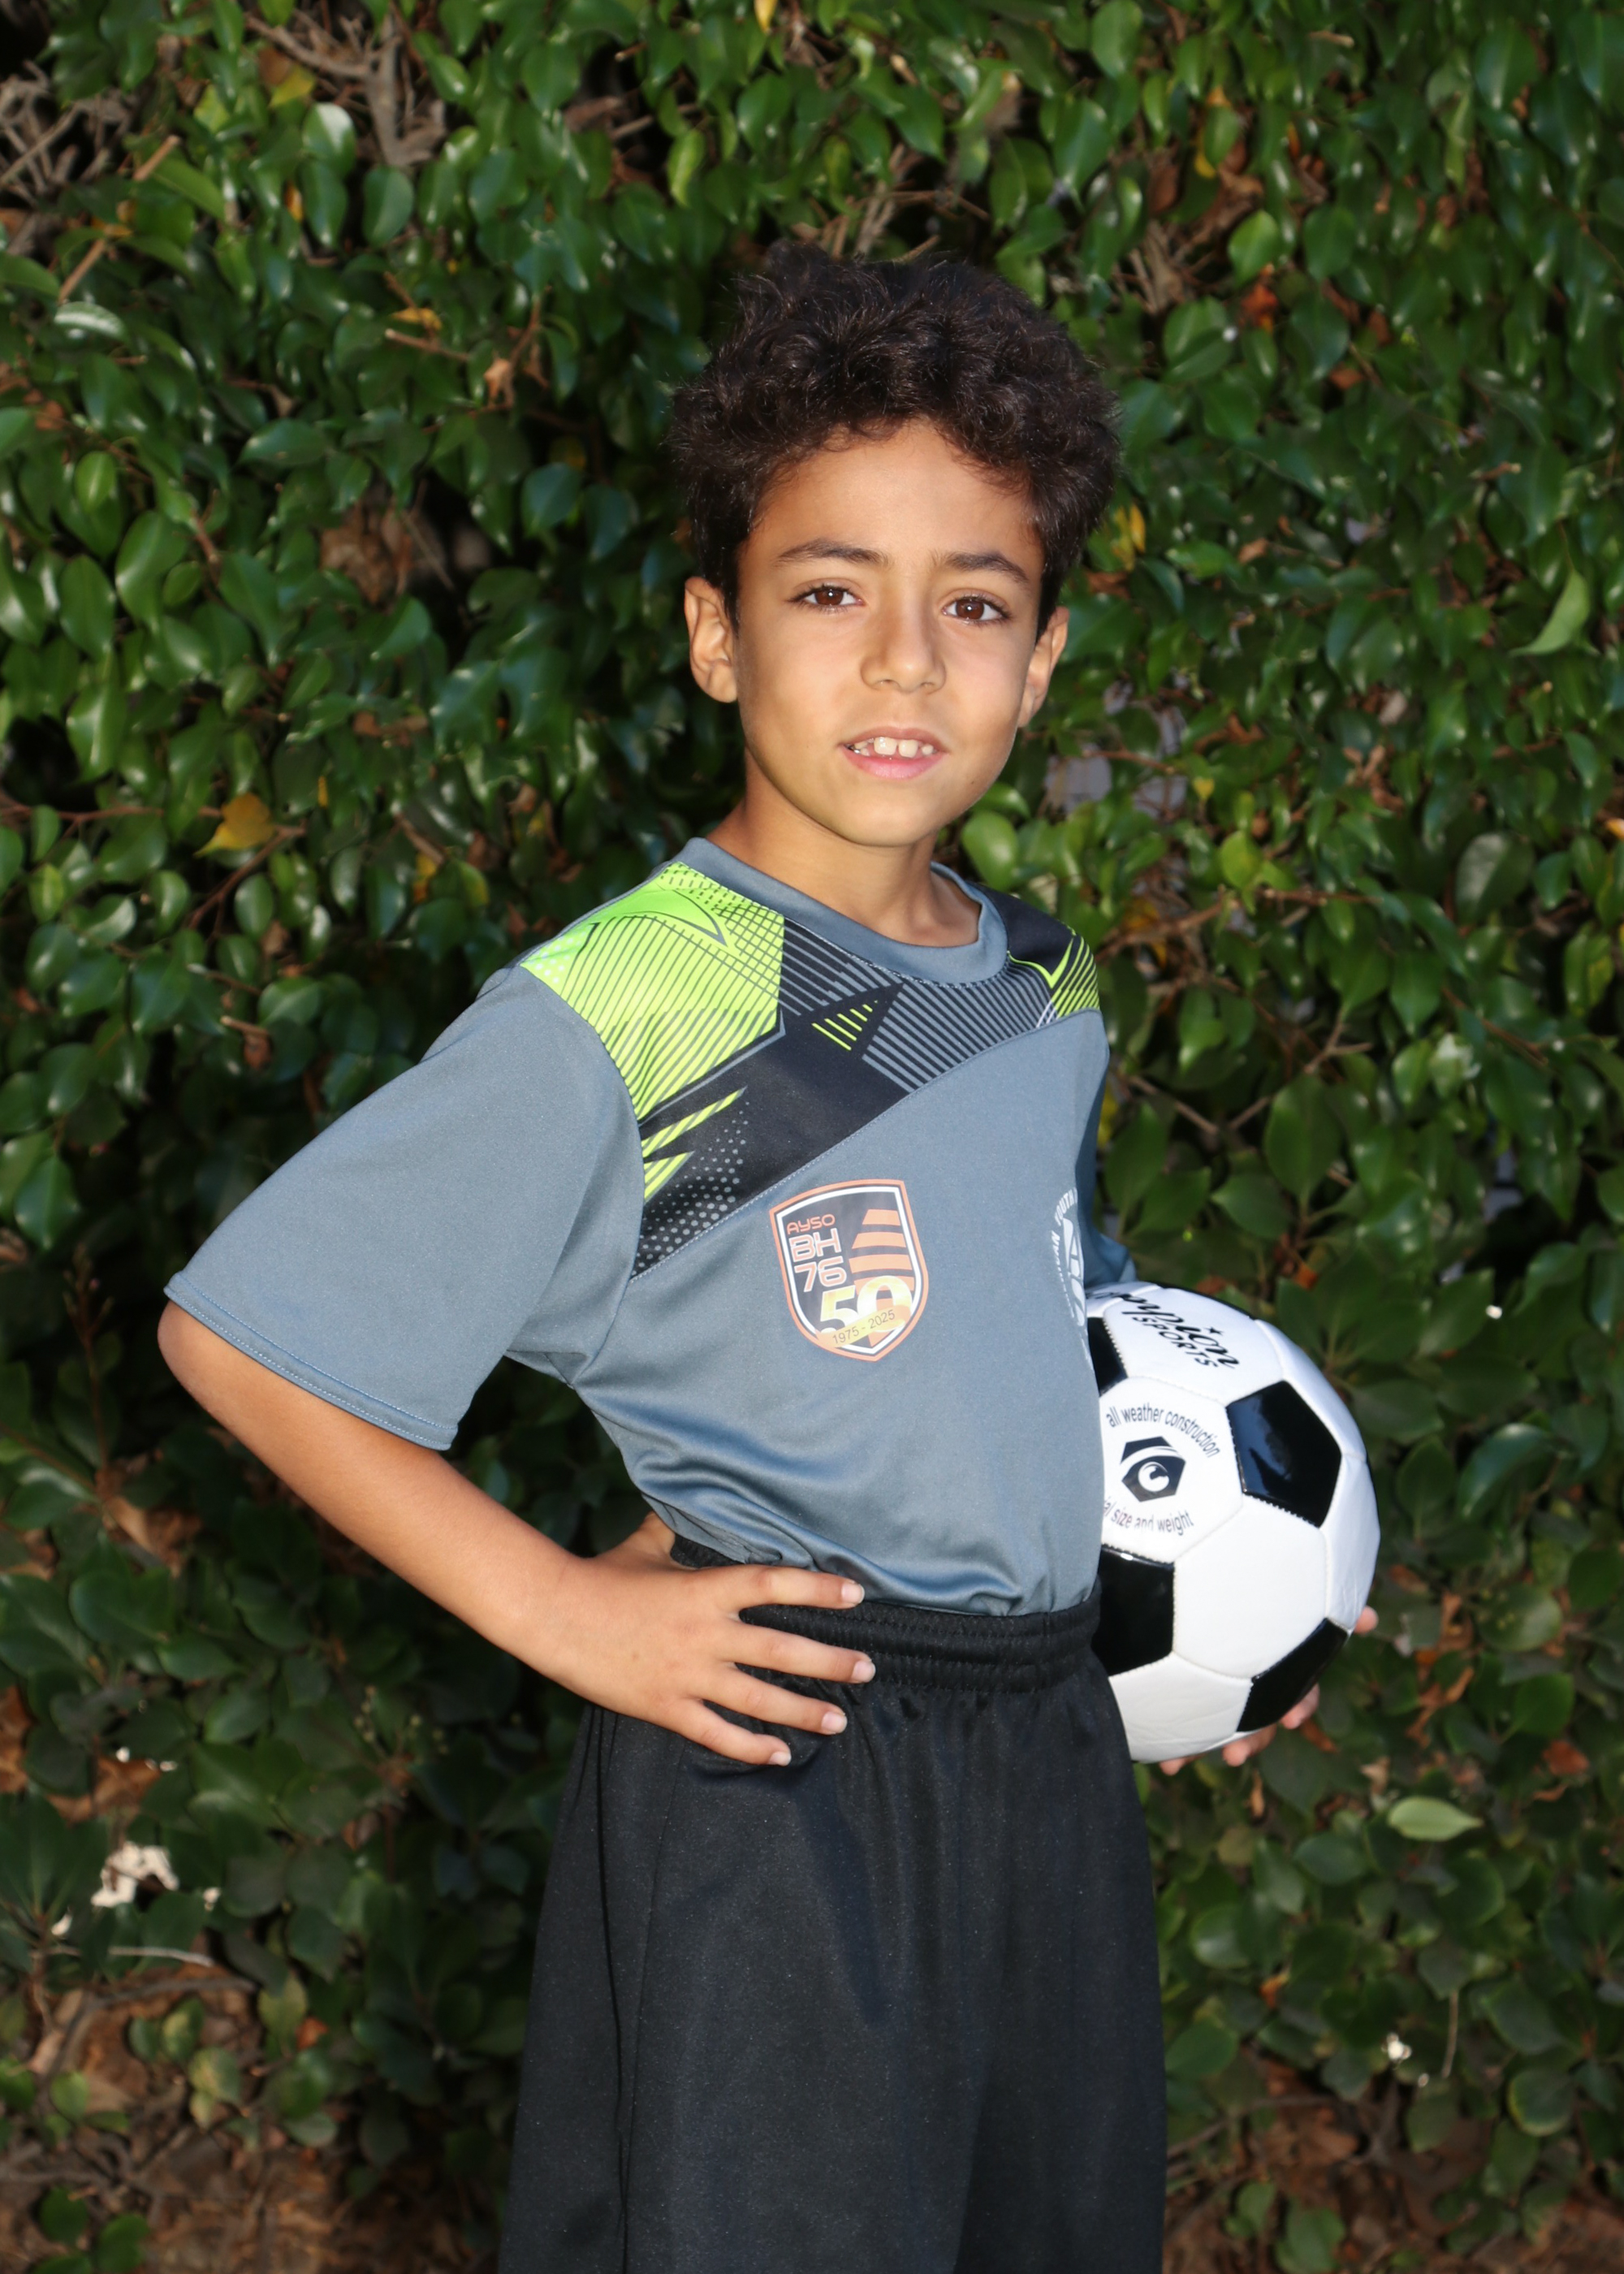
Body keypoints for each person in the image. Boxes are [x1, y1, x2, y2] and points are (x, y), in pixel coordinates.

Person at [160, 249, 1348, 2274]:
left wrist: (1219, 1610)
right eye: (827, 592)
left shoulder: (1039, 985)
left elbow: (1060, 1324)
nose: (904, 662)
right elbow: (243, 1340)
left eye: (973, 603)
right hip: (781, 1771)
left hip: (1041, 1755)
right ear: (715, 636)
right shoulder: (628, 1007)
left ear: (1043, 655)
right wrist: (568, 1611)